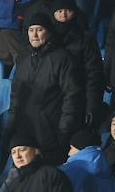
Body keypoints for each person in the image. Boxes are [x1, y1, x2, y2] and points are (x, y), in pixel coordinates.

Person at [7, 13, 81, 160]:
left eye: (39, 30)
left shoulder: (62, 58)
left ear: (48, 32)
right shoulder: (23, 58)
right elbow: (15, 95)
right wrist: (11, 125)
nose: (34, 35)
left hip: (50, 135)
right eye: (30, 30)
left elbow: (71, 96)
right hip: (25, 132)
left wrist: (64, 130)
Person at [0, 135, 78, 192]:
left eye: (22, 150)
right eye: (13, 152)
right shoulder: (12, 185)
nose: (18, 156)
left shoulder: (51, 175)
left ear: (36, 151)